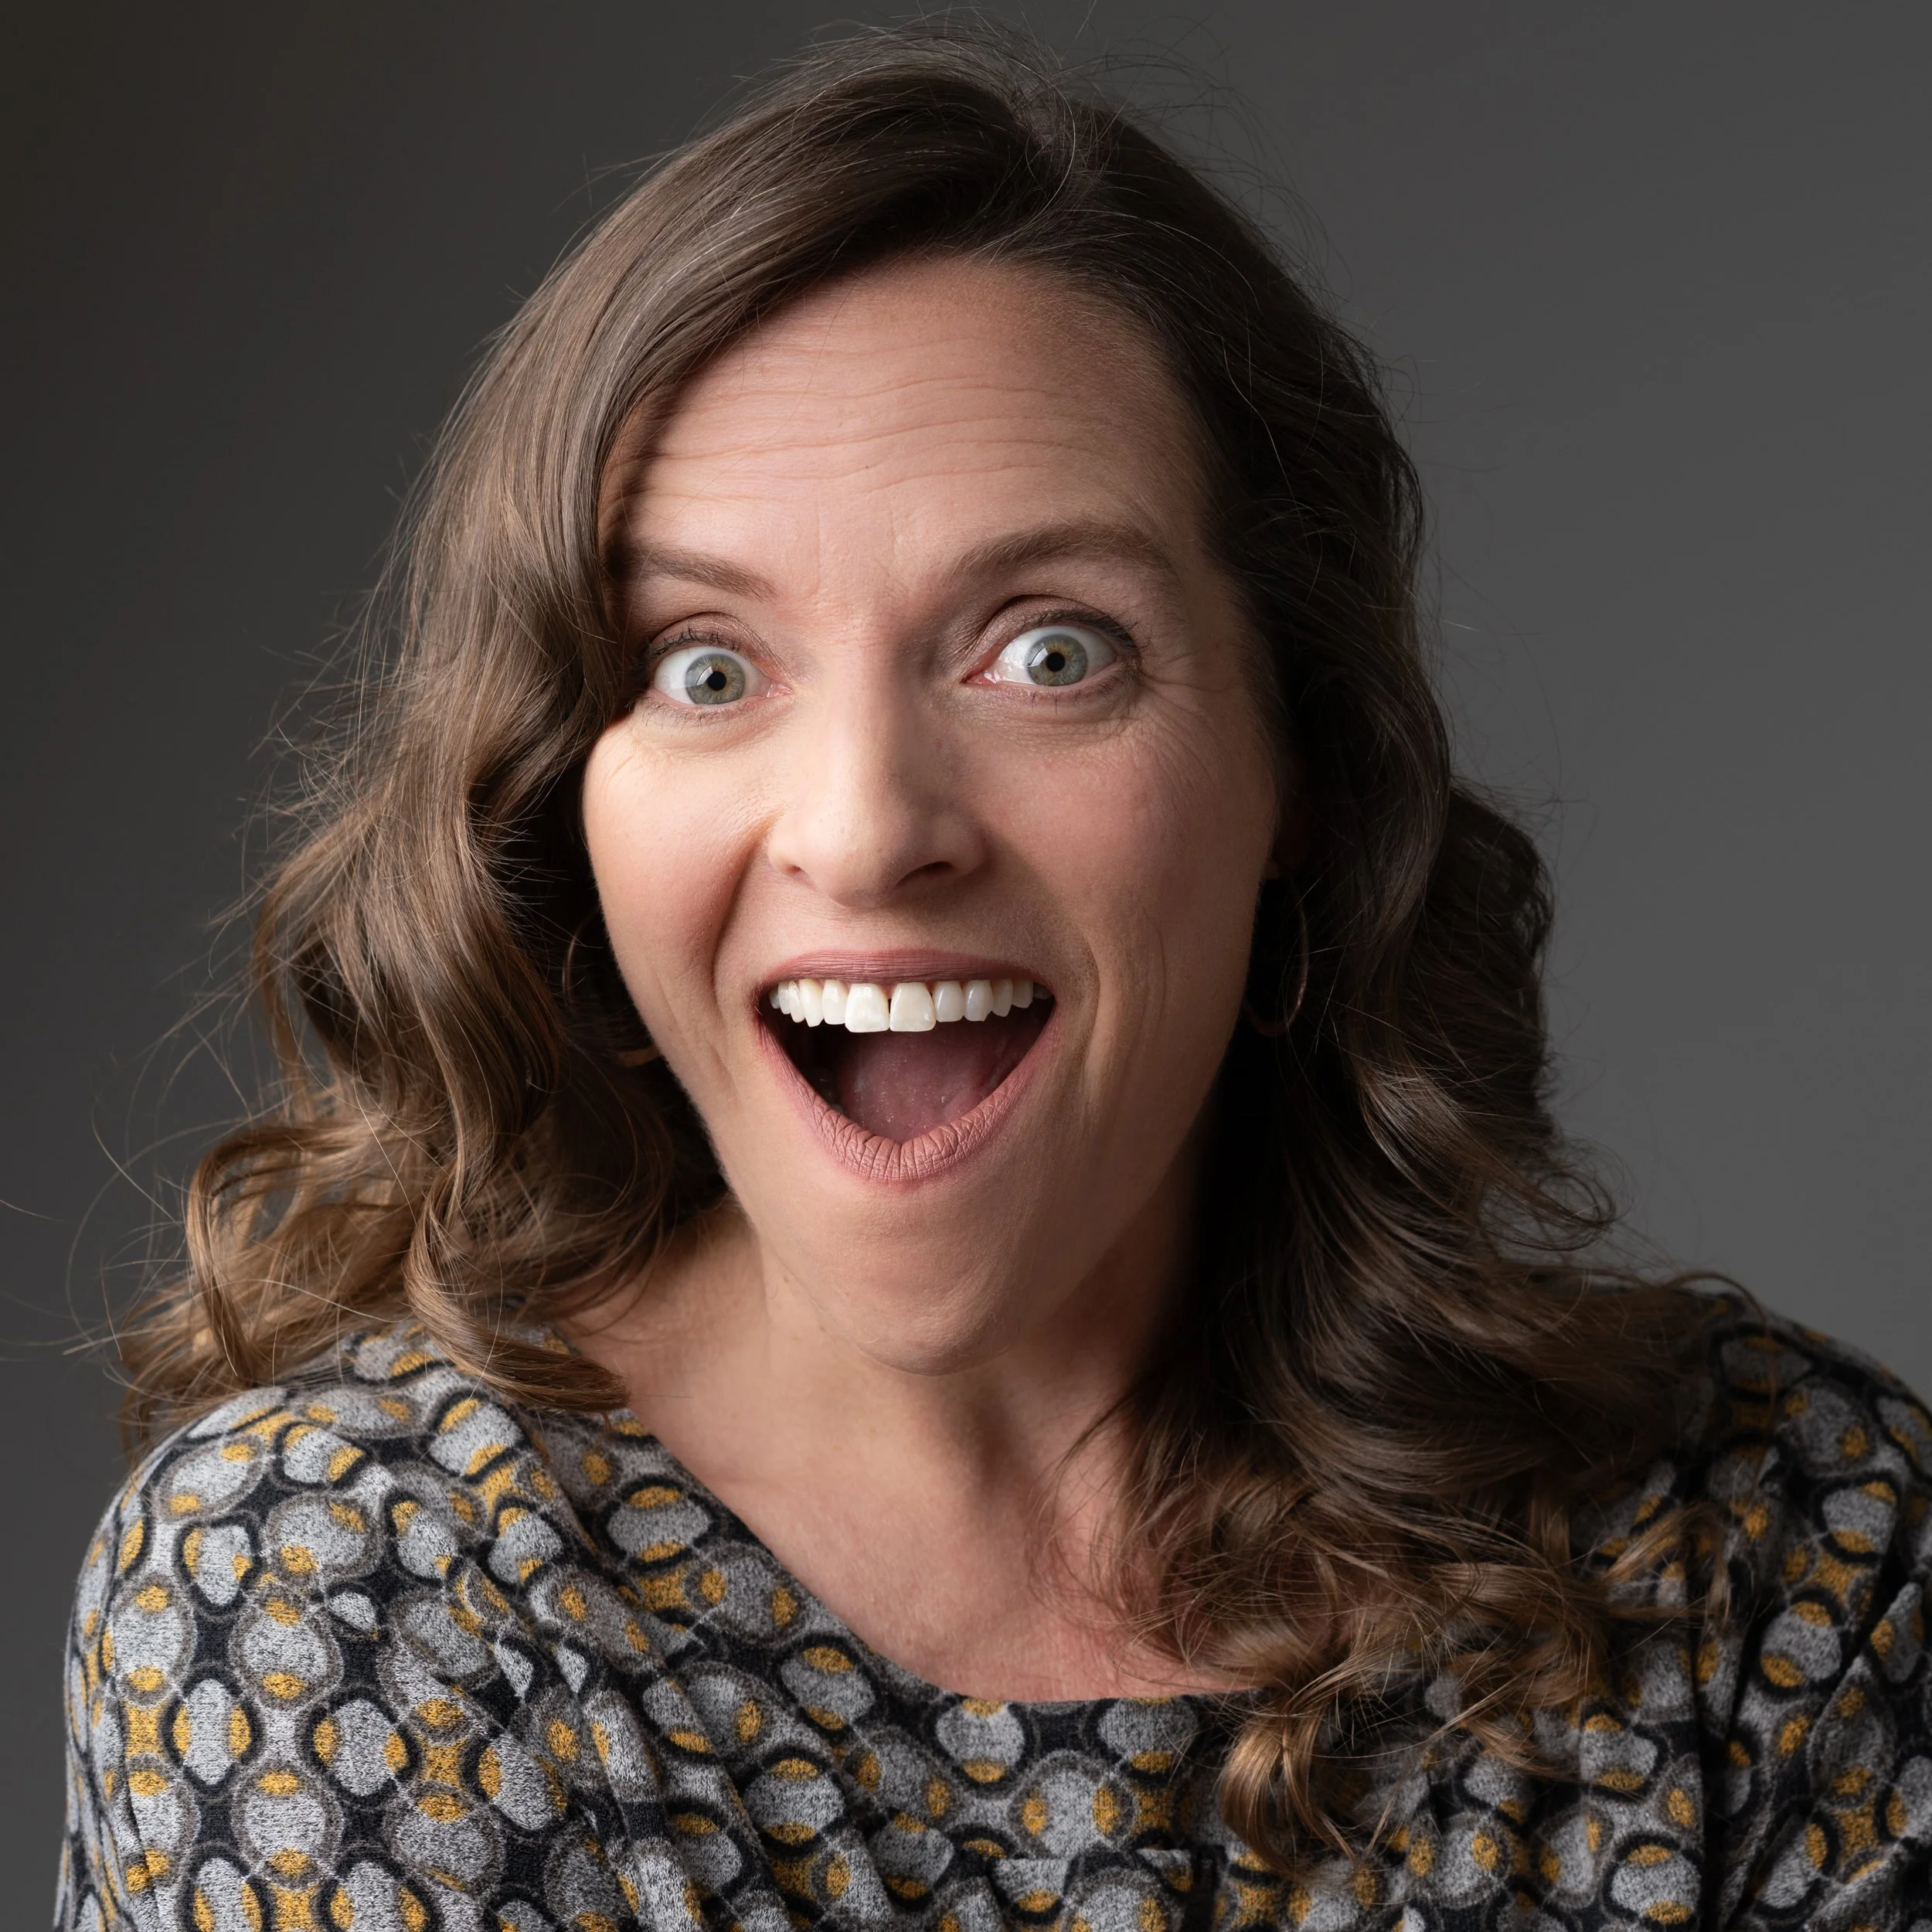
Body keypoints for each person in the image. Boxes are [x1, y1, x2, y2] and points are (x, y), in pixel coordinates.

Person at [56, 29, 1931, 1932]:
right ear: (563, 807)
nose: (867, 830)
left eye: (1047, 652)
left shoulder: (1777, 1542)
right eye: (705, 666)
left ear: (1302, 760)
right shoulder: (336, 1590)